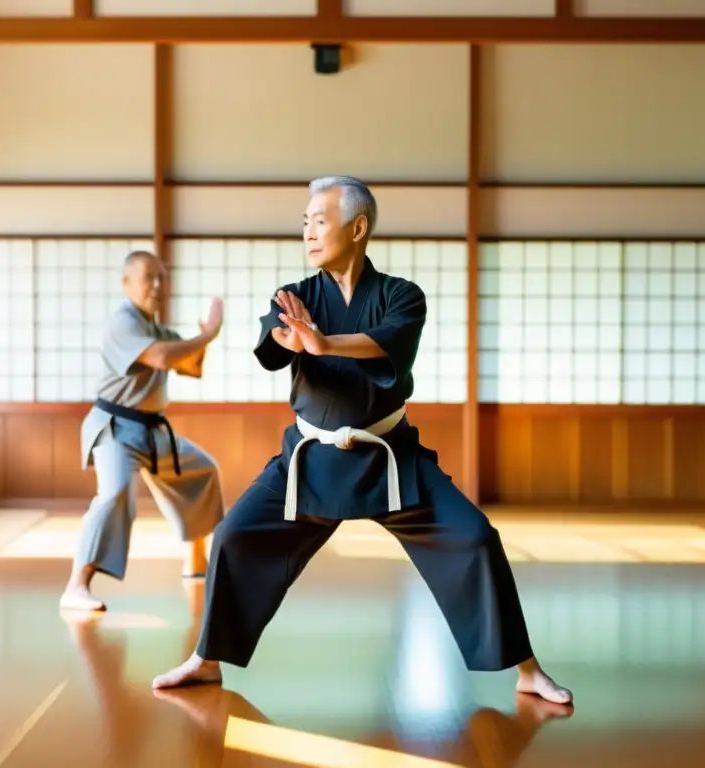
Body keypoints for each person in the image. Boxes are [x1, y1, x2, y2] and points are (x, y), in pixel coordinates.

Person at [150, 177, 572, 706]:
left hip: (390, 458)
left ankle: (527, 669)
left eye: (319, 221)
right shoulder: (297, 296)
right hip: (308, 462)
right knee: (234, 535)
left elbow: (386, 343)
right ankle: (206, 660)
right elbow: (275, 341)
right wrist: (288, 338)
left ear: (359, 227)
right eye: (303, 222)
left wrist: (323, 343)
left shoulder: (401, 296)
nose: (307, 231)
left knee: (475, 539)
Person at [59, 250, 226, 612]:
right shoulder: (122, 321)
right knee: (115, 493)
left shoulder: (153, 326)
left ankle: (196, 560)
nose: (156, 284)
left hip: (152, 432)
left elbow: (190, 366)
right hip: (117, 429)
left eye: (161, 277)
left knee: (201, 471)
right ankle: (76, 586)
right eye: (148, 277)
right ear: (126, 283)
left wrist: (202, 341)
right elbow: (162, 358)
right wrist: (208, 335)